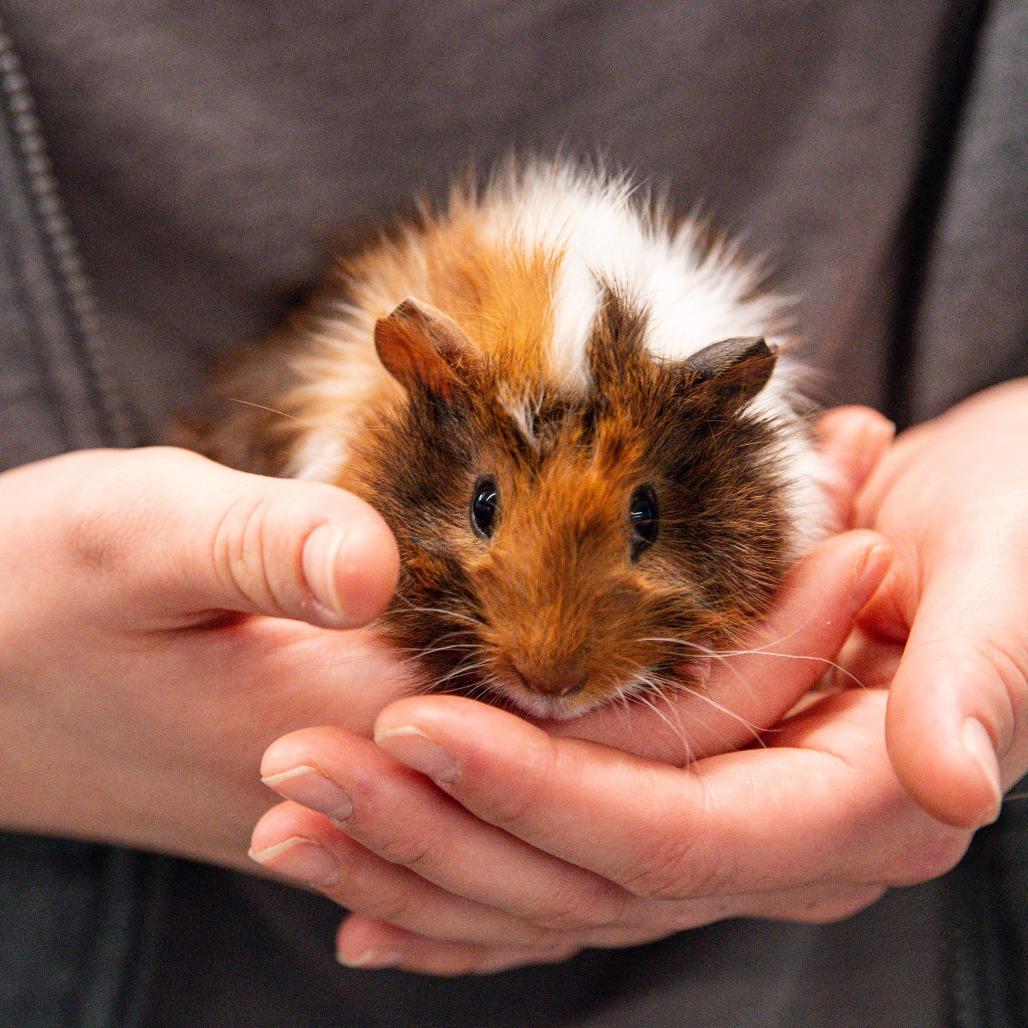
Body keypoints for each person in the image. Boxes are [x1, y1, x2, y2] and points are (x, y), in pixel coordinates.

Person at [1, 3, 1024, 1025]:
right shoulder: (354, 418)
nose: (548, 654)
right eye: (485, 505)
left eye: (640, 522)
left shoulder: (739, 429)